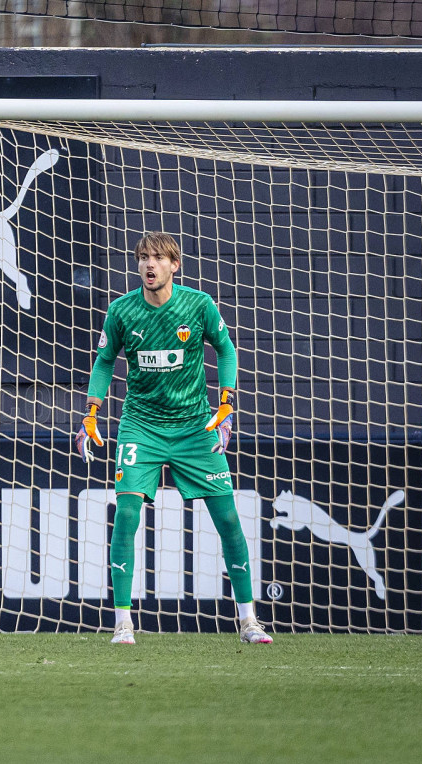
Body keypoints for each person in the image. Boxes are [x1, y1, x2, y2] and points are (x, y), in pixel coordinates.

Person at [75, 231, 272, 645]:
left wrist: (226, 403)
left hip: (194, 426)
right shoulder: (121, 310)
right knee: (126, 514)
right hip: (141, 427)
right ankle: (123, 623)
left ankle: (249, 620)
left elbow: (226, 349)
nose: (149, 264)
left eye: (158, 258)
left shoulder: (197, 304)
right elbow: (104, 361)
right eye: (143, 257)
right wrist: (90, 412)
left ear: (174, 265)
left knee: (228, 519)